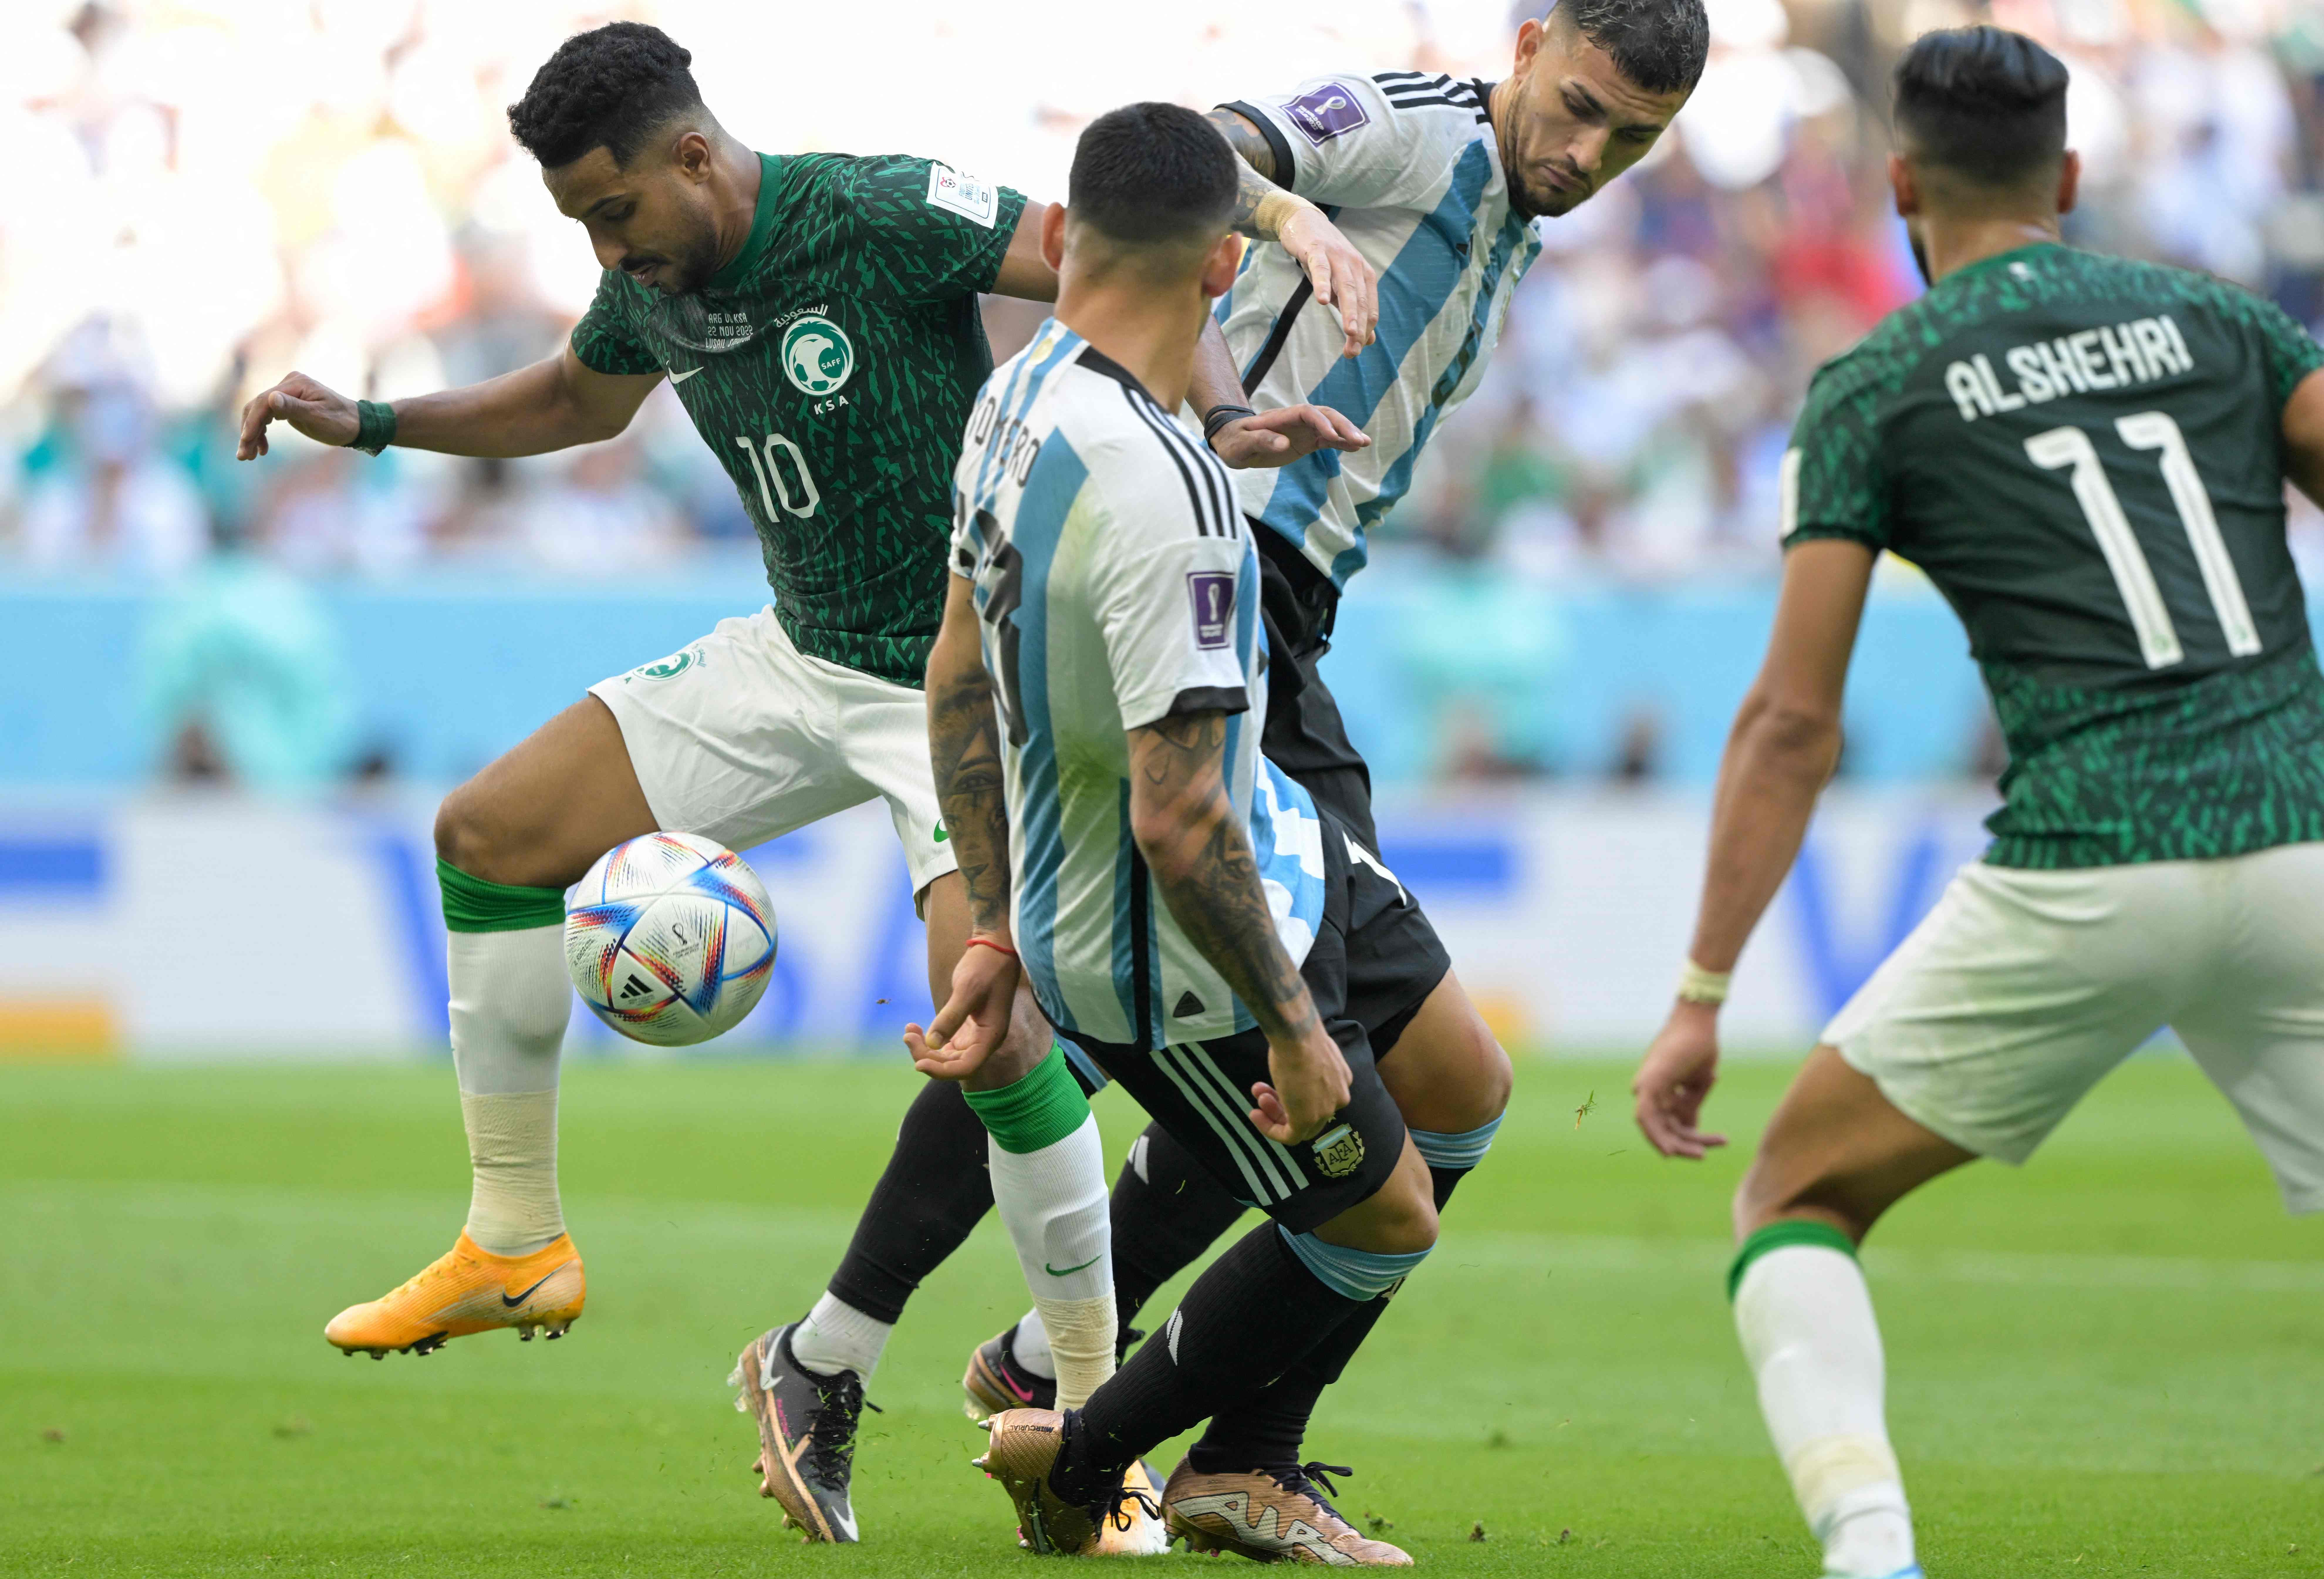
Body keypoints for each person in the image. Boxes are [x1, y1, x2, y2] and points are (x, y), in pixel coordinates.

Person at [230, 20, 1358, 1545]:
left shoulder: (877, 211)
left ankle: (1097, 1435)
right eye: (580, 223)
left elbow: (1105, 256)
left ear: (693, 156)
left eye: (614, 211)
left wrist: (1213, 412)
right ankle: (512, 1240)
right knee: (487, 834)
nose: (604, 247)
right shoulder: (656, 278)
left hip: (952, 683)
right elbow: (576, 398)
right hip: (795, 657)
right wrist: (370, 422)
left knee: (1003, 1035)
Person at [1629, 27, 2324, 1579]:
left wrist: (1700, 993)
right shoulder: (2221, 321)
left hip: (2086, 859)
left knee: (1794, 1191)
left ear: (1898, 181)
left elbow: (1787, 723)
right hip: (2308, 837)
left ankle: (1872, 1552)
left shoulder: (1877, 385)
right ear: (2073, 178)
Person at [958, 0, 1707, 1482]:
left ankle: (1084, 1377)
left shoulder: (1509, 217)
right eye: (1575, 102)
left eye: (1632, 136)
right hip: (1215, 584)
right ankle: (1148, 1432)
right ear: (1527, 37)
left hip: (1280, 613)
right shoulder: (1422, 122)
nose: (1586, 150)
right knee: (1404, 1086)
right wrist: (1296, 214)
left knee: (1376, 1078)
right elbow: (1197, 152)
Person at [931, 101, 1466, 1564]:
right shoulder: (1171, 504)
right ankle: (1092, 1458)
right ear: (1229, 273)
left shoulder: (1018, 394)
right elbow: (1174, 818)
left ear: (1059, 240)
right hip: (1172, 954)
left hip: (1268, 850)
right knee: (1387, 1220)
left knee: (1462, 1084)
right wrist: (1291, 1026)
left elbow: (952, 678)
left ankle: (1204, 1437)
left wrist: (984, 919)